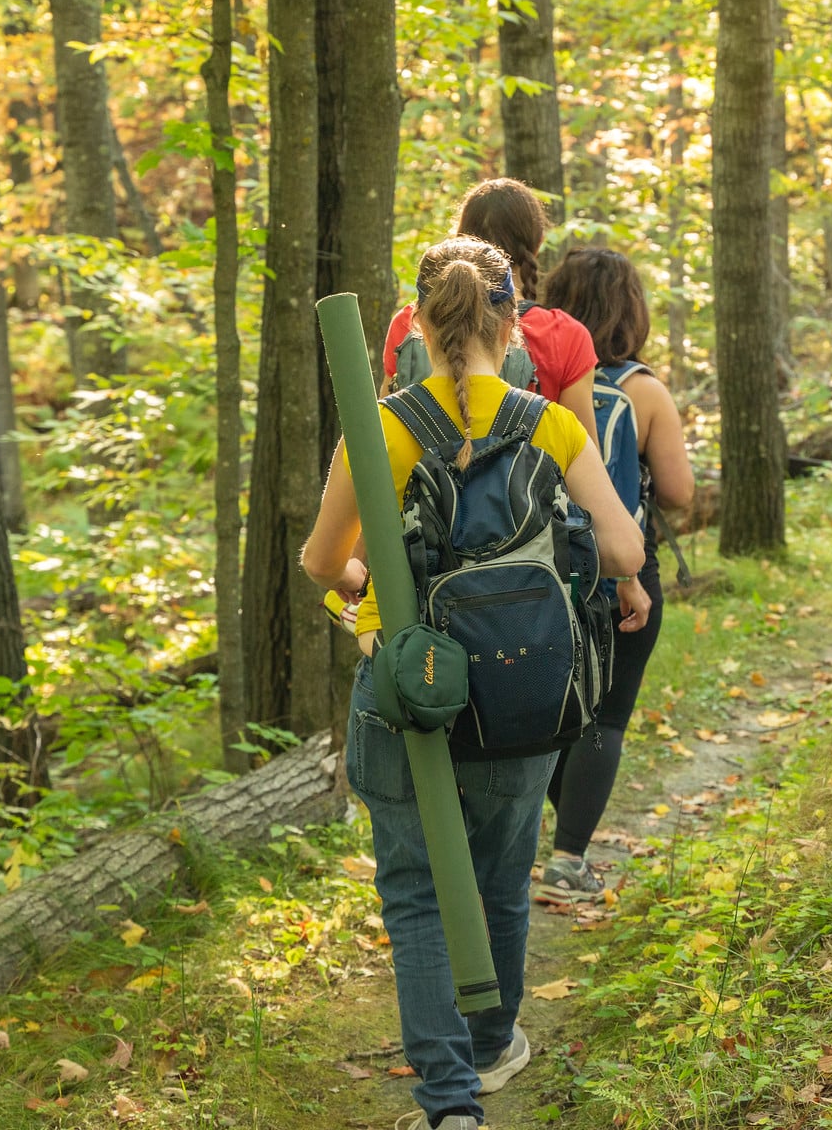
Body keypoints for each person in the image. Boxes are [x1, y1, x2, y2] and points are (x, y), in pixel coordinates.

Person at [302, 237, 649, 1130]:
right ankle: (494, 1043)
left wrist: (372, 587)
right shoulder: (550, 423)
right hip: (524, 691)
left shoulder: (382, 426)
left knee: (415, 892)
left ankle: (450, 1103)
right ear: (512, 321)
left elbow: (321, 562)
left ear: (418, 322)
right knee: (501, 872)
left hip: (406, 688)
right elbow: (625, 549)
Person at [536, 247, 695, 903]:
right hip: (625, 566)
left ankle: (554, 829)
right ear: (633, 310)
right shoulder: (644, 390)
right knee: (608, 716)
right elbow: (681, 492)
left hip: (542, 564)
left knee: (552, 713)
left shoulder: (530, 378)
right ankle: (569, 858)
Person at [381, 178, 599, 442]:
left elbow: (384, 433)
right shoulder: (566, 335)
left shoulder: (411, 320)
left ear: (459, 240)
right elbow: (582, 454)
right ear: (538, 243)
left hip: (415, 478)